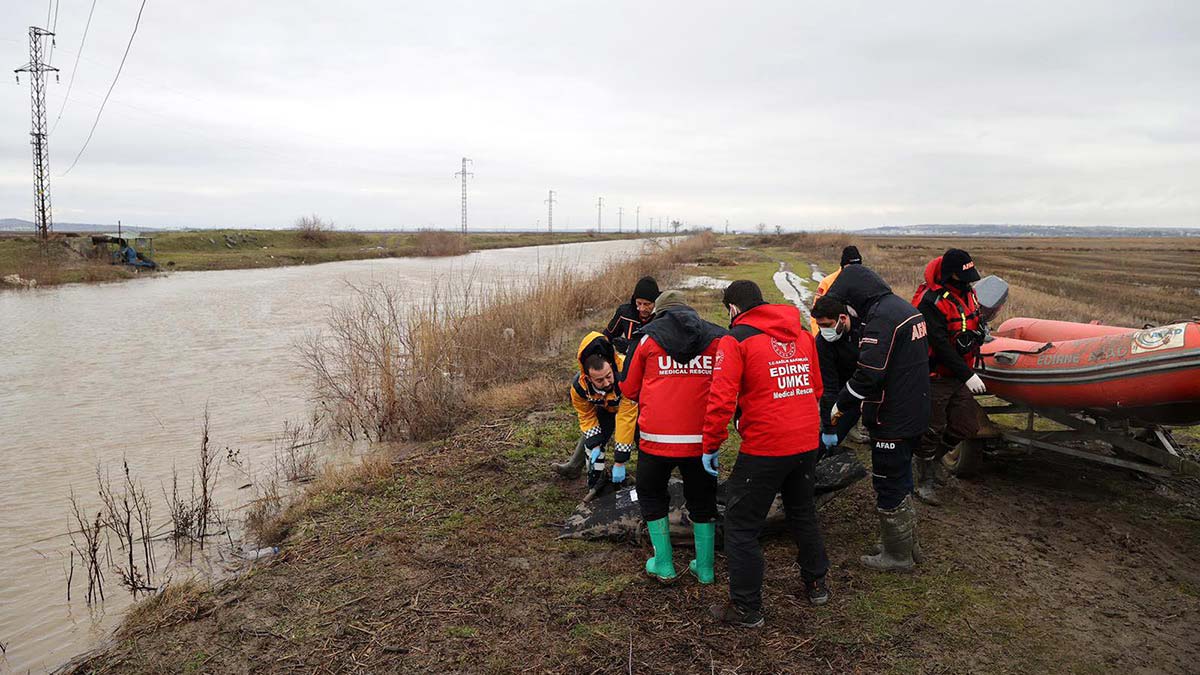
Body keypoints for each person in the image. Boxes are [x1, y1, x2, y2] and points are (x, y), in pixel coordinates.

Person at [702, 280, 830, 628]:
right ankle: (816, 584)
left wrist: (711, 445)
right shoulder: (801, 334)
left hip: (766, 445)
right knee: (802, 512)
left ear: (733, 309)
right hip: (806, 440)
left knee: (741, 524)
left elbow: (721, 399)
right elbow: (817, 388)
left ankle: (747, 608)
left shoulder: (736, 340)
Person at [825, 265, 930, 572]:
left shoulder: (882, 319)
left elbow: (869, 375)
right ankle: (907, 544)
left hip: (891, 416)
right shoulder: (904, 309)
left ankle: (897, 556)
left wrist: (840, 403)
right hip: (914, 410)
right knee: (903, 478)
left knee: (888, 482)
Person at [619, 290, 727, 583]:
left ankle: (664, 563)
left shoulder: (647, 339)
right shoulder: (717, 339)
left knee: (651, 495)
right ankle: (705, 568)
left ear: (660, 313)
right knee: (703, 500)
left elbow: (629, 389)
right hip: (702, 442)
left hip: (655, 440)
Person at [911, 248, 987, 506]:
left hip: (959, 374)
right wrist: (968, 375)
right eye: (964, 276)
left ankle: (932, 462)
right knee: (932, 429)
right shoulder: (931, 302)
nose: (969, 281)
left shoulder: (969, 293)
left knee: (967, 425)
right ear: (951, 274)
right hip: (937, 375)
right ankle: (923, 481)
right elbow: (940, 344)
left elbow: (972, 321)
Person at [551, 332, 638, 494]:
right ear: (589, 378)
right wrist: (595, 444)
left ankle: (650, 475)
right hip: (607, 408)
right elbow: (586, 416)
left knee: (643, 438)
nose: (606, 383)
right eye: (599, 380)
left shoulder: (626, 374)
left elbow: (626, 418)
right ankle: (595, 482)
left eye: (608, 376)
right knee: (593, 441)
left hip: (636, 407)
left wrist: (620, 461)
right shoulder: (579, 387)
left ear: (611, 366)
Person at [811, 295, 862, 452]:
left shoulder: (863, 327)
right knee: (839, 427)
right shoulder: (822, 344)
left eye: (827, 325)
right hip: (843, 386)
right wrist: (829, 427)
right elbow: (829, 388)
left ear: (842, 318)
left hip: (868, 379)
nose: (824, 330)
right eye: (820, 326)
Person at [808, 245, 863, 335]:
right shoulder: (828, 282)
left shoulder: (866, 282)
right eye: (849, 267)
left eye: (856, 267)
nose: (853, 270)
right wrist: (817, 337)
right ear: (843, 265)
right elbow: (816, 313)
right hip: (833, 331)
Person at [604, 276, 659, 355]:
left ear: (656, 302)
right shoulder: (624, 313)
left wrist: (629, 347)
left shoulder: (663, 316)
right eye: (639, 303)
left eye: (647, 304)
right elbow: (607, 336)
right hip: (630, 360)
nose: (642, 308)